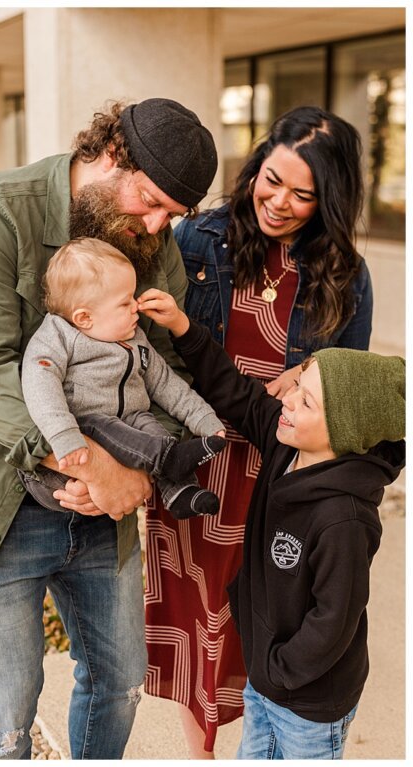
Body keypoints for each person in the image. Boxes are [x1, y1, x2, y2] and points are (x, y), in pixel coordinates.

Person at [0, 98, 218, 759]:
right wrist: (87, 465)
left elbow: (161, 373)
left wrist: (130, 469)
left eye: (173, 214)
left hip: (101, 509)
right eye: (150, 199)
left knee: (123, 681)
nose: (159, 224)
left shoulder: (148, 248)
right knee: (7, 717)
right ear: (113, 156)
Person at [142, 106, 374, 757]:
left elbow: (352, 397)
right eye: (273, 180)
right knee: (198, 616)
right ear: (257, 164)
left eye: (305, 195)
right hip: (203, 465)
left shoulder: (346, 276)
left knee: (272, 611)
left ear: (330, 198)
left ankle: (271, 735)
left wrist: (310, 372)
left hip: (281, 471)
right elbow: (156, 355)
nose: (280, 202)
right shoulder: (195, 240)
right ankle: (203, 752)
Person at [138, 288, 404, 760]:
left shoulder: (344, 519)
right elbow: (233, 390)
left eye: (307, 403)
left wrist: (281, 669)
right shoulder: (286, 448)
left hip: (308, 702)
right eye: (299, 387)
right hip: (267, 681)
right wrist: (182, 327)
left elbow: (334, 619)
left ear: (345, 432)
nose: (288, 400)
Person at [21, 237, 226, 521]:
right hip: (75, 442)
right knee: (107, 425)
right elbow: (39, 383)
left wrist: (204, 419)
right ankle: (167, 458)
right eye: (124, 302)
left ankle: (181, 493)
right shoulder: (58, 336)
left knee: (150, 426)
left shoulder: (135, 340)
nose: (136, 307)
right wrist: (64, 435)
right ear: (84, 318)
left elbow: (166, 384)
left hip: (126, 428)